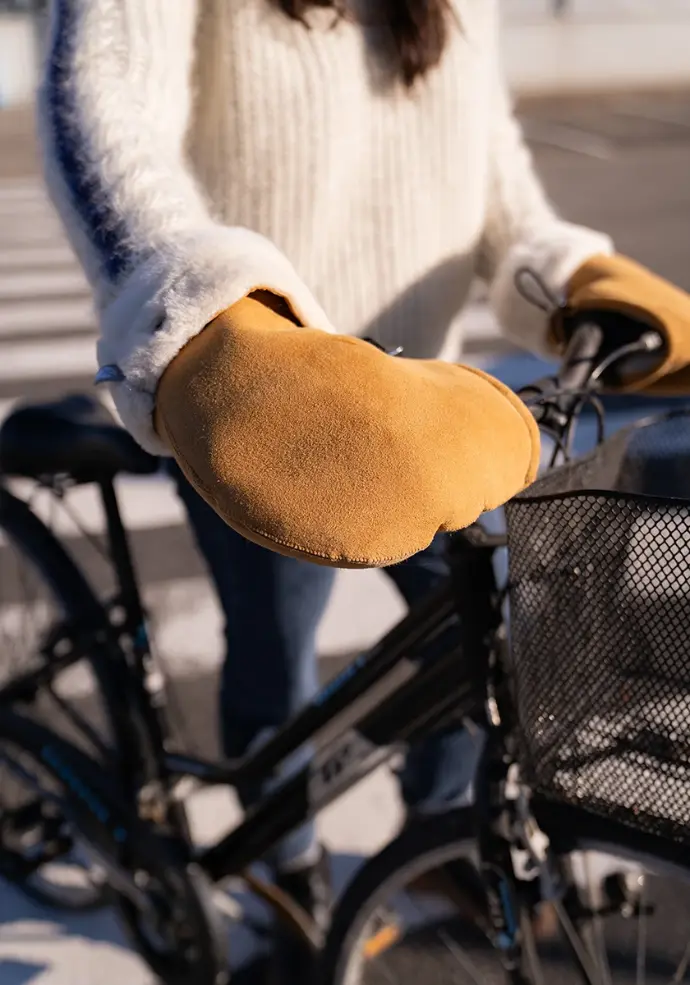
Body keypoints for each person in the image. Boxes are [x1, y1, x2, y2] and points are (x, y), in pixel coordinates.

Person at [37, 0, 690, 977]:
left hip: (418, 411)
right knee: (277, 665)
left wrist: (572, 272)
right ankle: (281, 879)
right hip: (277, 408)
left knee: (472, 651)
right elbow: (102, 95)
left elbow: (496, 182)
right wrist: (198, 303)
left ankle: (438, 839)